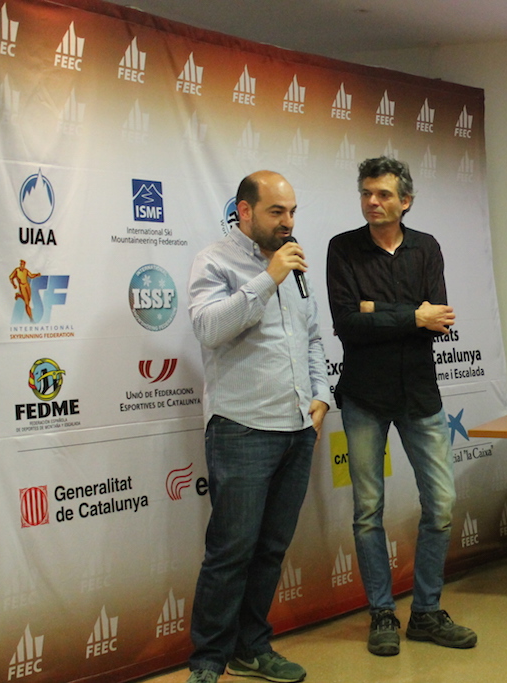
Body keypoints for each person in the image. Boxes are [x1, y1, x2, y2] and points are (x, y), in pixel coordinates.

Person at [326, 157, 477, 657]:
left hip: (419, 395)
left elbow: (442, 319)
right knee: (368, 511)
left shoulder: (426, 247)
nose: (373, 202)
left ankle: (427, 613)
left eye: (384, 194)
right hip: (364, 398)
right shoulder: (342, 248)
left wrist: (379, 311)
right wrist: (413, 315)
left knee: (442, 504)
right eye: (366, 193)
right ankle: (382, 614)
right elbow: (348, 324)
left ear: (405, 201)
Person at [185, 170, 329, 683]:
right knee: (231, 552)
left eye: (292, 212)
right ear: (244, 211)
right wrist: (268, 278)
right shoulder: (215, 261)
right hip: (241, 428)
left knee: (270, 550)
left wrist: (321, 394)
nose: (288, 222)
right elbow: (208, 328)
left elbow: (312, 338)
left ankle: (251, 648)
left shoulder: (295, 263)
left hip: (296, 427)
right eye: (276, 212)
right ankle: (208, 661)